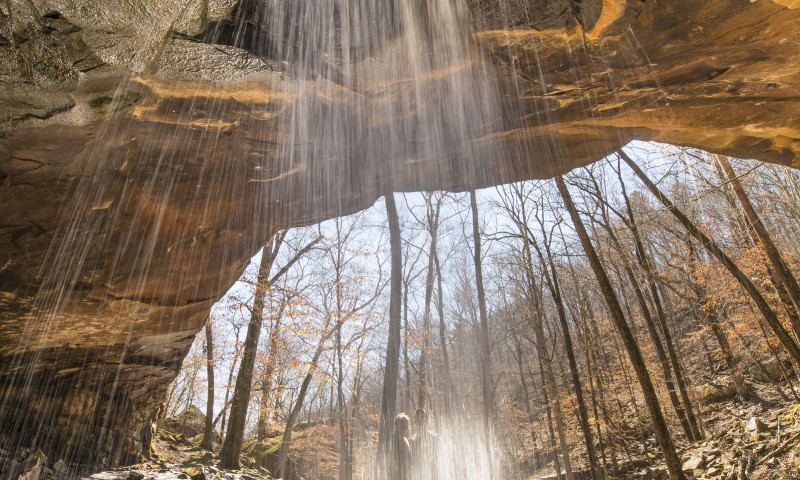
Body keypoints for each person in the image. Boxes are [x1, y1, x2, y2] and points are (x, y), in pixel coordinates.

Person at [410, 408, 439, 480]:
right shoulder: (411, 441)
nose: (420, 421)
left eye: (423, 418)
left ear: (426, 421)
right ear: (414, 421)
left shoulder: (435, 439)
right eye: (418, 419)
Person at [390, 413, 412, 480]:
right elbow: (387, 463)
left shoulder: (406, 441)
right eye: (401, 422)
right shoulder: (391, 440)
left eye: (406, 423)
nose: (404, 425)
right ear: (396, 425)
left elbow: (409, 464)